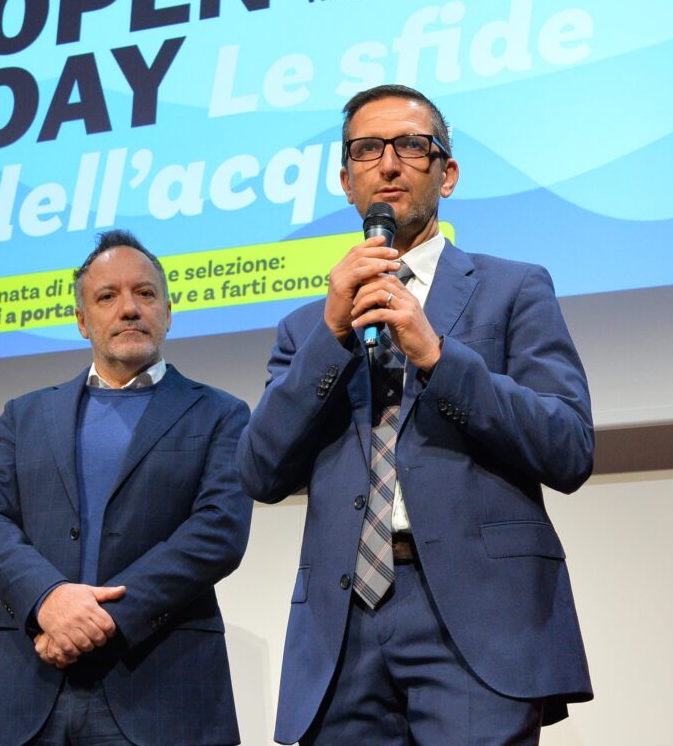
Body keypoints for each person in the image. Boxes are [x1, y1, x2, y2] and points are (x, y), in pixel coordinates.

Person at [237, 85, 593, 745]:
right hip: (341, 628)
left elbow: (568, 447)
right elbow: (260, 470)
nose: (388, 164)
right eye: (366, 150)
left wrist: (437, 355)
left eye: (410, 146)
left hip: (477, 620)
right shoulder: (306, 328)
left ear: (447, 173)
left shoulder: (513, 289)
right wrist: (331, 336)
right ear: (346, 181)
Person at [0, 230, 252, 746]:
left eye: (145, 293)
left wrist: (95, 620)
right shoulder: (25, 415)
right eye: (107, 296)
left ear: (168, 312)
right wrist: (47, 599)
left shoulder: (221, 413)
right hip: (28, 684)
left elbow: (218, 532)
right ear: (82, 320)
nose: (129, 308)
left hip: (160, 686)